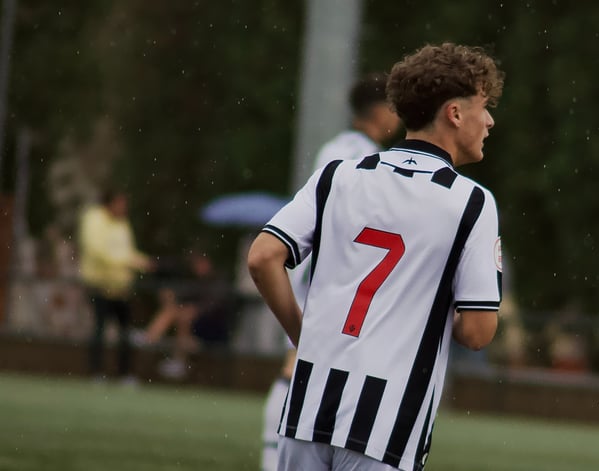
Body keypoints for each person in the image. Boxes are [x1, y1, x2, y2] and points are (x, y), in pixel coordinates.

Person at [248, 42, 503, 471]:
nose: (490, 120)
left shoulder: (339, 175)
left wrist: (301, 333)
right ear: (455, 114)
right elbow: (478, 332)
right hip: (387, 428)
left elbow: (263, 257)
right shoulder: (471, 201)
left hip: (308, 409)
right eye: (484, 106)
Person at [260, 72, 401, 471]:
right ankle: (273, 458)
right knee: (298, 368)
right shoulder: (353, 155)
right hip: (334, 283)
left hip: (332, 280)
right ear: (383, 110)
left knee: (307, 375)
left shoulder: (341, 148)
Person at [78, 189, 153, 384]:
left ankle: (125, 374)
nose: (123, 208)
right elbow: (97, 251)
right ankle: (96, 373)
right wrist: (129, 262)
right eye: (120, 203)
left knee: (125, 332)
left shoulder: (122, 223)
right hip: (100, 285)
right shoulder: (94, 219)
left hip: (122, 288)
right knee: (99, 331)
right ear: (109, 203)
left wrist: (143, 261)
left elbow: (128, 251)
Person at [142, 251, 234, 379]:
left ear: (207, 263)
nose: (198, 267)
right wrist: (172, 298)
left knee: (183, 315)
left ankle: (155, 342)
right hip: (192, 325)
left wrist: (196, 310)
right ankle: (151, 339)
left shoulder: (217, 281)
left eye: (200, 263)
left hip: (211, 328)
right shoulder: (195, 279)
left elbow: (215, 307)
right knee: (173, 310)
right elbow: (184, 299)